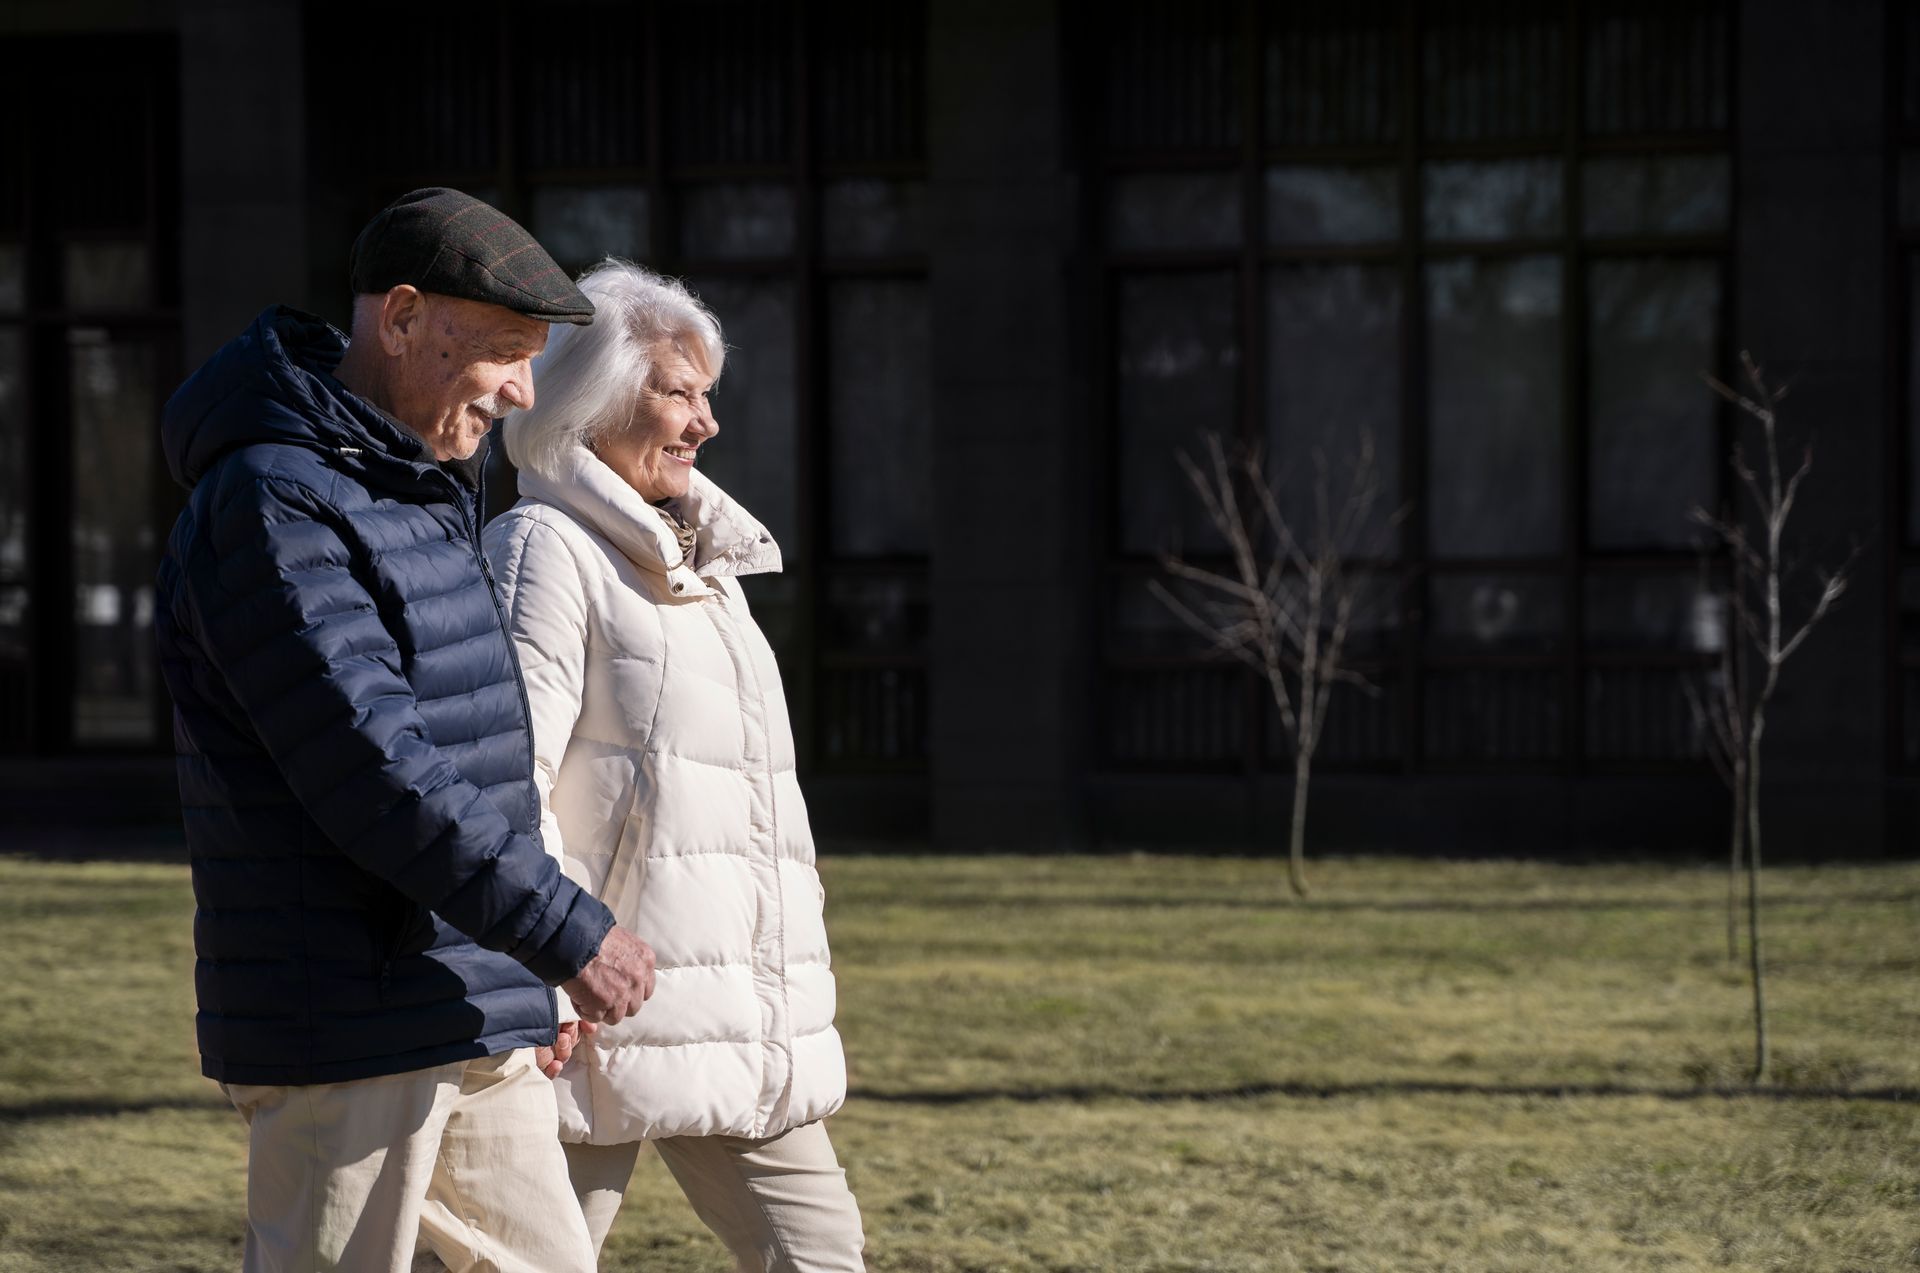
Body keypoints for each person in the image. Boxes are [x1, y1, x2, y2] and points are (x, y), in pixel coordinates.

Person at [154, 188, 659, 1273]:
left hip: (457, 998)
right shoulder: (274, 502)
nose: (524, 391)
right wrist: (563, 937)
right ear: (401, 317)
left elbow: (478, 760)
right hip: (344, 1019)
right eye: (507, 354)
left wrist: (520, 978)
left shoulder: (412, 482)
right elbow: (378, 770)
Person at [482, 259, 864, 1271]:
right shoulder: (545, 548)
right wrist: (554, 974)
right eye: (681, 393)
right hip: (587, 1020)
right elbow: (506, 783)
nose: (707, 423)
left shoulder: (709, 573)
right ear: (595, 400)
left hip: (732, 1023)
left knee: (822, 1255)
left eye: (710, 395)